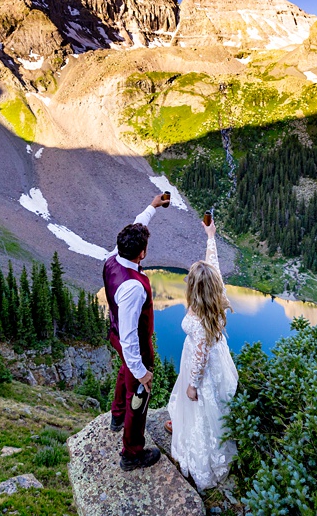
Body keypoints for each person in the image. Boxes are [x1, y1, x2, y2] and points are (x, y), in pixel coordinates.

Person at [166, 219, 238, 490]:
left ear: (194, 290)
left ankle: (202, 460)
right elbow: (214, 268)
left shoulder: (197, 319)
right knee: (216, 407)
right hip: (220, 362)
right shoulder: (217, 297)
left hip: (202, 372)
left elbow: (199, 358)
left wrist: (193, 385)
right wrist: (211, 237)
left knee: (199, 409)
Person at [104, 193, 167, 471]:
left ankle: (116, 416)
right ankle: (132, 453)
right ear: (141, 254)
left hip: (115, 335)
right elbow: (131, 336)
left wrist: (152, 207)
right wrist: (141, 370)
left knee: (123, 371)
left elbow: (136, 225)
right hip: (132, 343)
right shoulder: (133, 287)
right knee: (139, 397)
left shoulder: (113, 257)